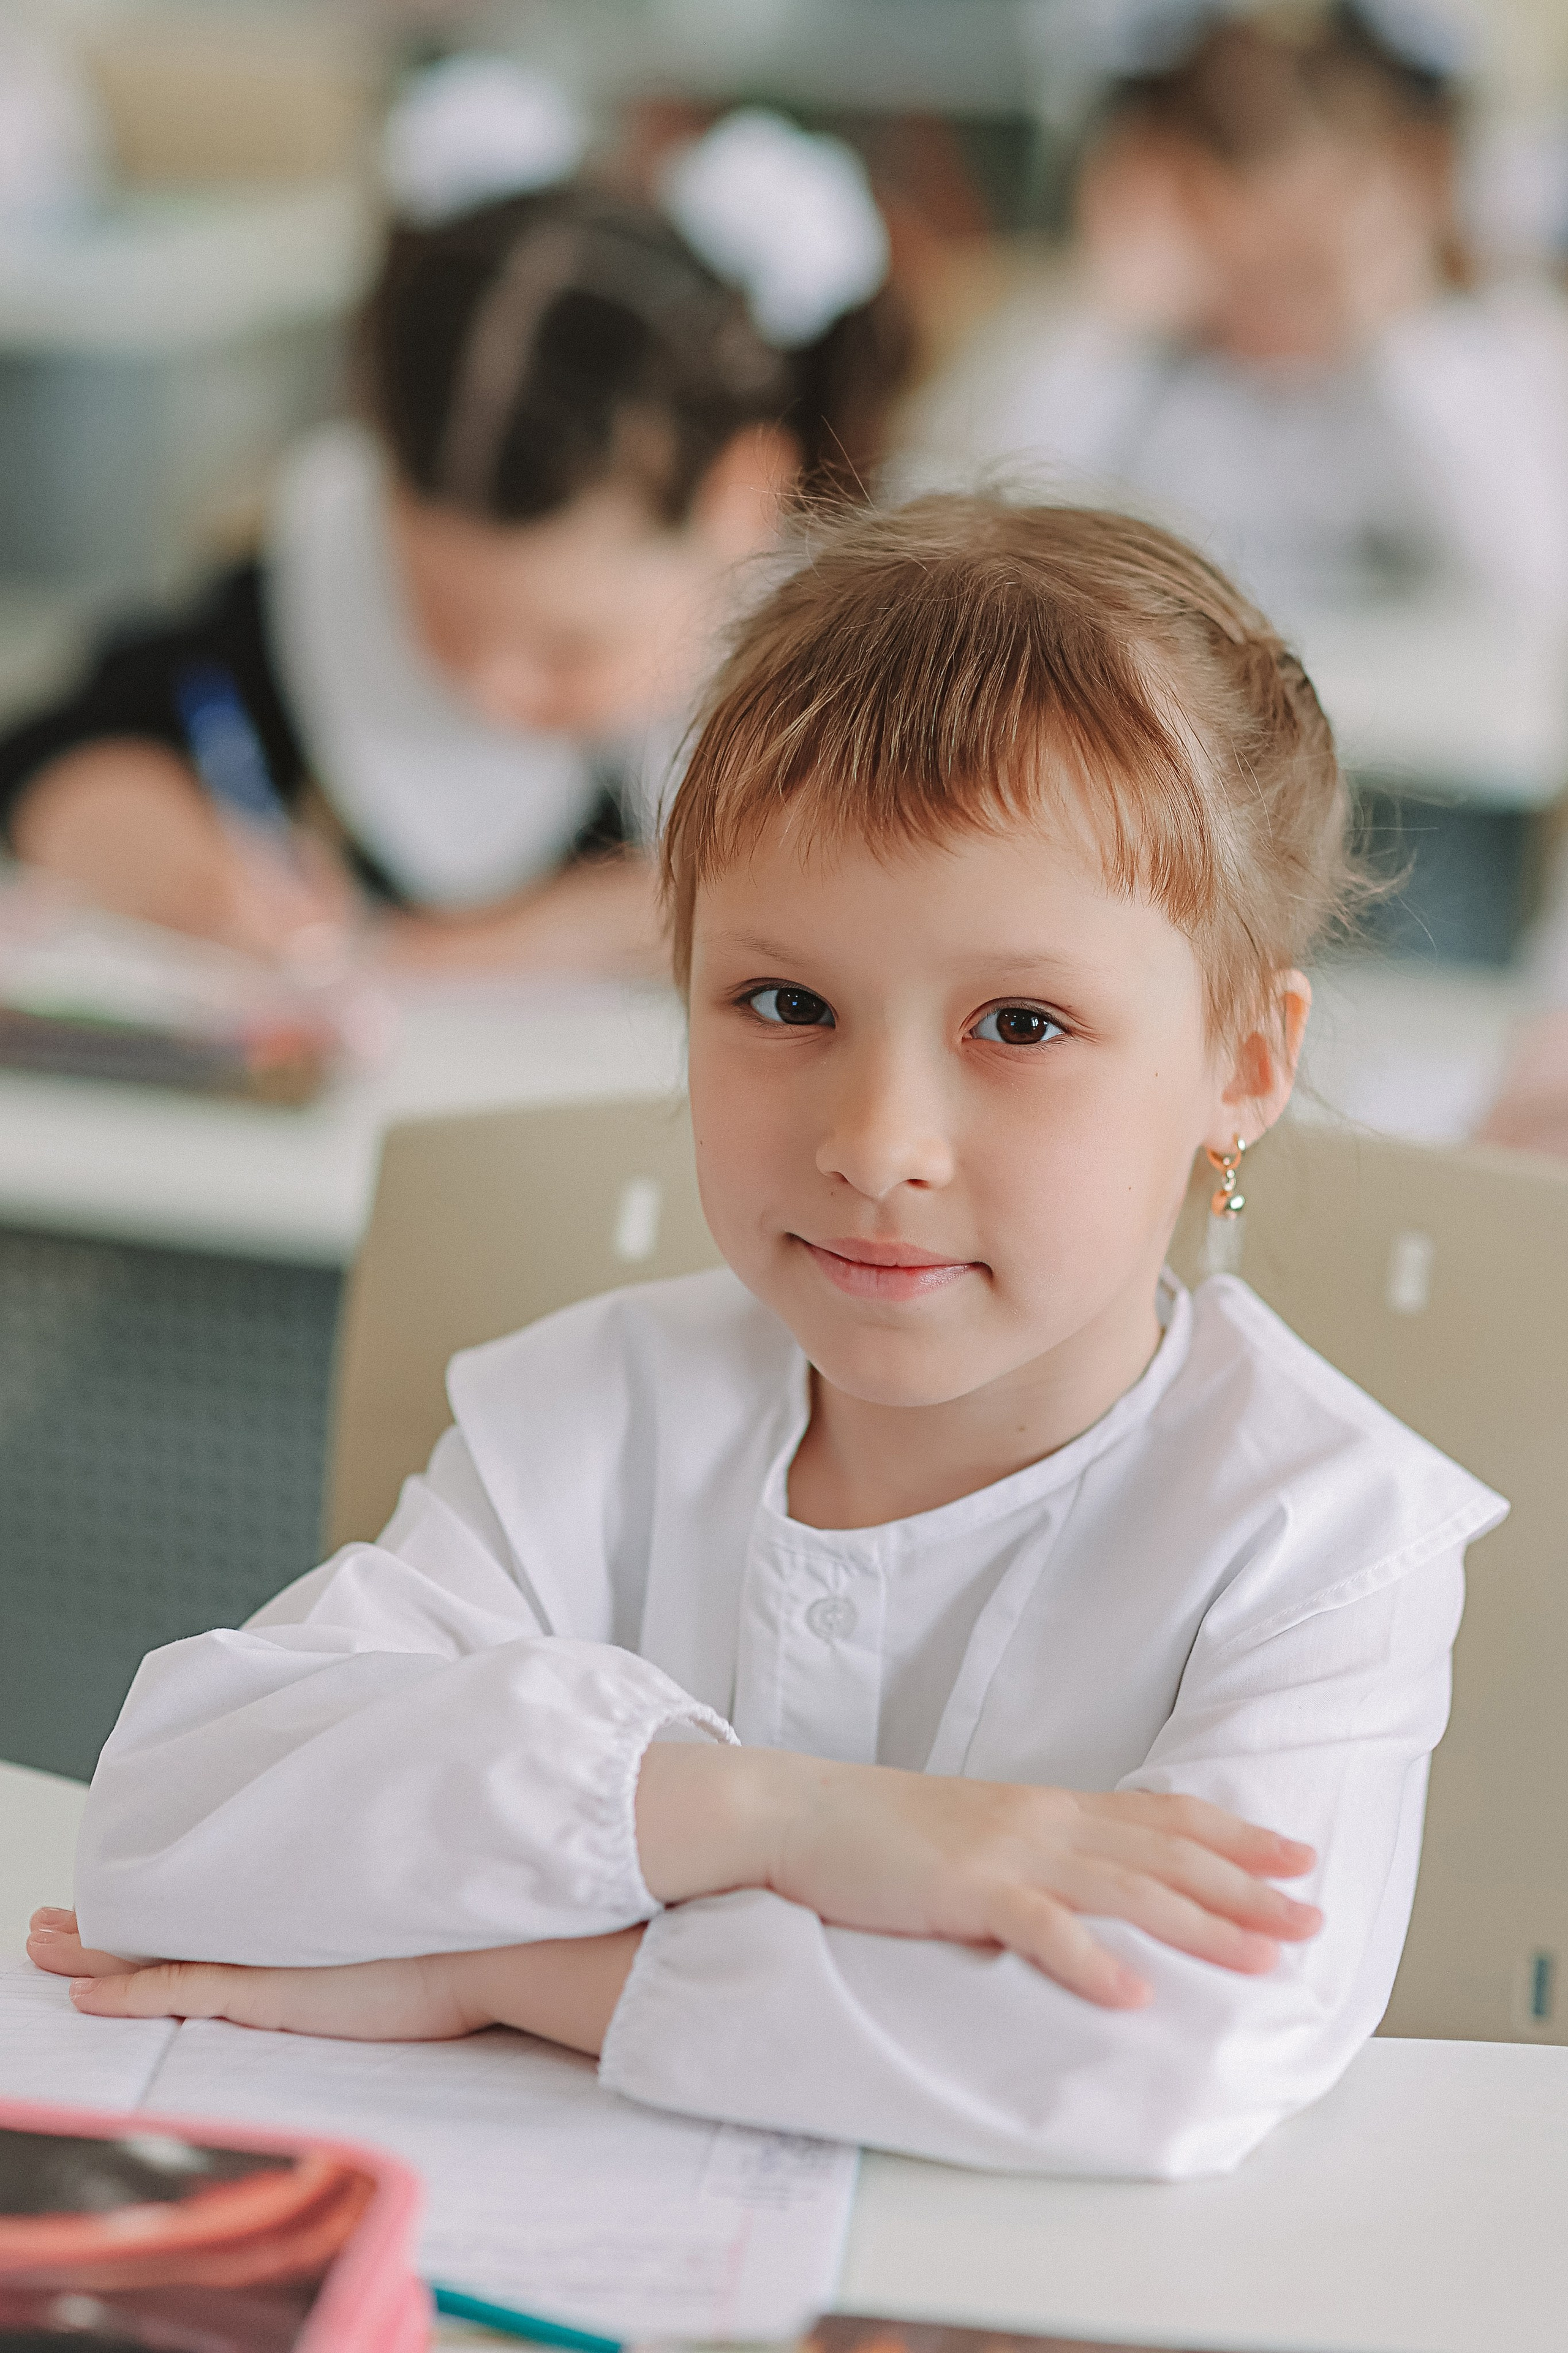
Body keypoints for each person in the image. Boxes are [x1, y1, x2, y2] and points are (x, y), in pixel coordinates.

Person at [32, 498, 1505, 2178]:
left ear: (1244, 1062)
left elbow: (1157, 2059)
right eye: (783, 1004)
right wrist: (786, 1817)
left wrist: (496, 1967)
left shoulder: (1327, 1536)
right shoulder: (595, 1411)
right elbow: (173, 1818)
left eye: (1020, 1025)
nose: (878, 1141)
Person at [0, 72, 910, 976]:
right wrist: (180, 868)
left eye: (566, 648)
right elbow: (62, 756)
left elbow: (887, 891)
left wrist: (520, 939)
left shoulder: (864, 667)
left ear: (741, 499)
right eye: (441, 611)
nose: (491, 685)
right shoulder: (310, 588)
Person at [897, 5, 1568, 638]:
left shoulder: (1494, 354)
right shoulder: (1079, 345)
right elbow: (935, 555)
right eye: (1240, 276)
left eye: (1307, 276)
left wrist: (1403, 333)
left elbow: (1535, 580)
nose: (1272, 318)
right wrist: (1107, 323)